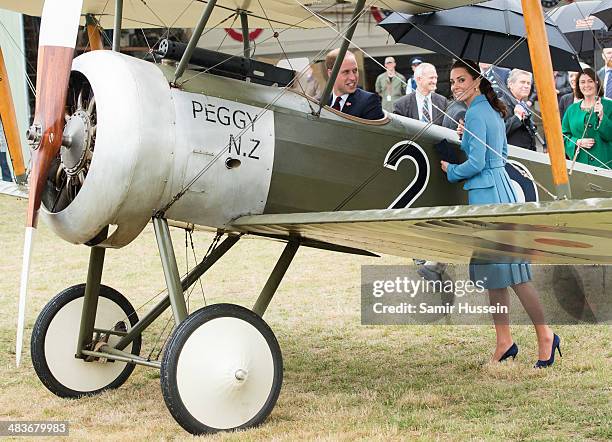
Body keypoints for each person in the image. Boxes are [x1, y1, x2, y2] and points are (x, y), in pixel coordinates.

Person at [440, 59, 560, 367]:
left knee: (516, 275)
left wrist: (450, 168)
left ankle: (546, 336)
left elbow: (476, 164)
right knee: (496, 276)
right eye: (452, 81)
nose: (455, 86)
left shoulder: (478, 113)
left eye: (461, 80)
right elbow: (497, 154)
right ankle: (504, 341)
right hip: (497, 191)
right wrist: (467, 137)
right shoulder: (486, 111)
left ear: (476, 81)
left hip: (489, 197)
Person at [562, 68, 612, 168]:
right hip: (580, 165)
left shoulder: (609, 106)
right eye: (582, 82)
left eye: (590, 81)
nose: (586, 85)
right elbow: (563, 136)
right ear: (578, 85)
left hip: (605, 164)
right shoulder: (571, 110)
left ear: (597, 83)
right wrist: (577, 142)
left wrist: (602, 116)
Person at [325, 49, 385, 120]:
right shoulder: (321, 103)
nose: (353, 77)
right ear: (331, 74)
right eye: (346, 72)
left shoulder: (369, 101)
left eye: (355, 71)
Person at [500, 69, 538, 151]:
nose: (526, 86)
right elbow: (498, 133)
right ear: (510, 84)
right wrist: (517, 117)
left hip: (527, 155)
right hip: (510, 156)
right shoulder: (499, 104)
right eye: (522, 82)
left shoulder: (523, 104)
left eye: (528, 83)